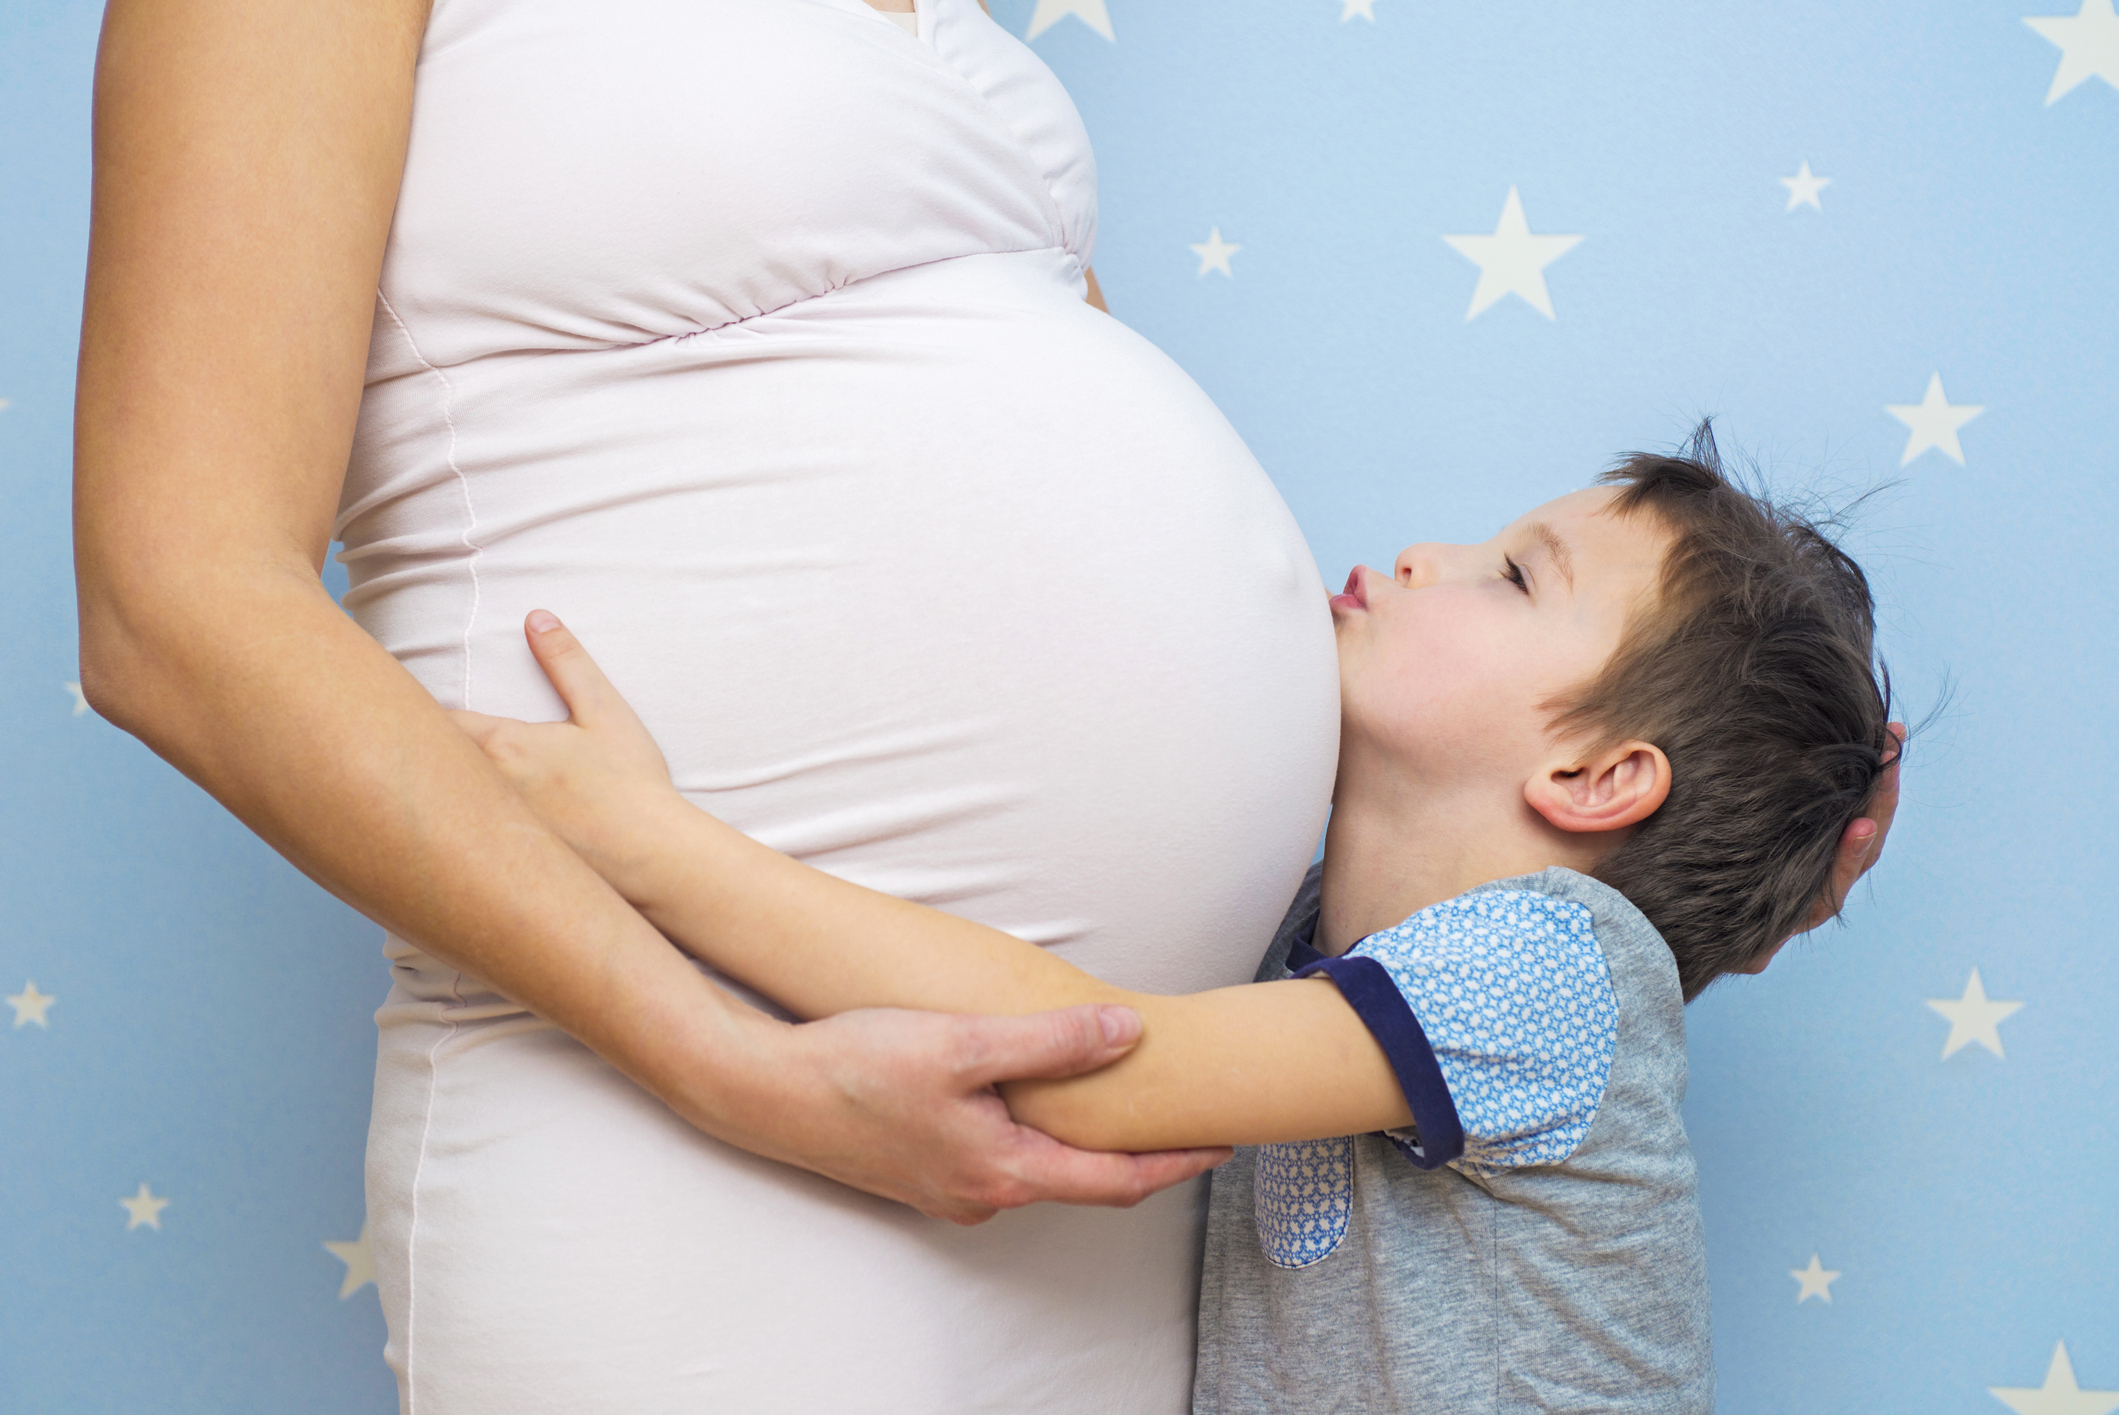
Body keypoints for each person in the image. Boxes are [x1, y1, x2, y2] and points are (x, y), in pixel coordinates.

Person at [70, 0, 1891, 1406]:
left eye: (1510, 573)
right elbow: (174, 603)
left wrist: (1752, 813)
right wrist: (726, 1051)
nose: (1430, 560)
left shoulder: (1522, 968)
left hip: (1105, 1256)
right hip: (729, 1109)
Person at [451, 429, 1905, 1413]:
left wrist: (655, 847)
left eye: (1513, 576)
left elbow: (1090, 1056)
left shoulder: (1558, 961)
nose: (1420, 554)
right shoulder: (1328, 947)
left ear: (1593, 777)